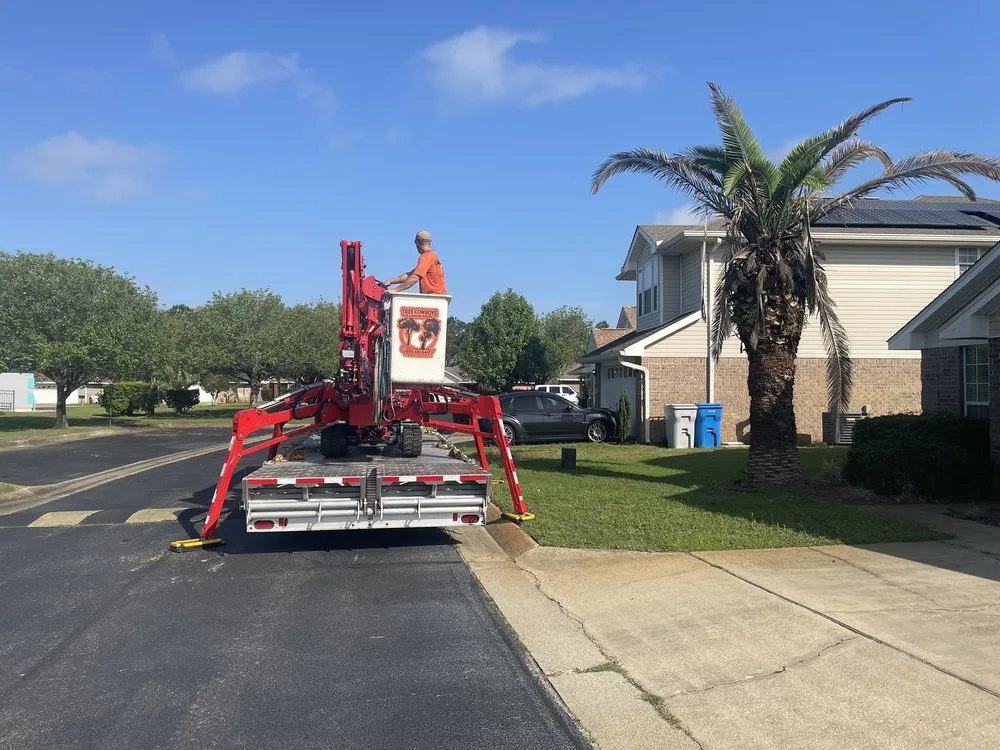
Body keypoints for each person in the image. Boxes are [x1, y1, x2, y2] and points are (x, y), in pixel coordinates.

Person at [385, 229, 447, 295]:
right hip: (438, 298)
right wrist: (390, 281)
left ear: (417, 242)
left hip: (432, 299)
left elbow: (414, 277)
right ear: (430, 242)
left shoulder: (426, 257)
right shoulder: (433, 256)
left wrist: (396, 290)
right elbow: (410, 275)